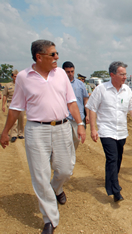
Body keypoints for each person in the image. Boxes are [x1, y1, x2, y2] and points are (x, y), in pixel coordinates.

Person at [0, 39, 86, 234]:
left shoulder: (61, 74)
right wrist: (5, 132)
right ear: (39, 57)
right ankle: (50, 219)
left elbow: (72, 102)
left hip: (63, 127)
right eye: (53, 54)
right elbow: (15, 108)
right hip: (36, 130)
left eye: (57, 53)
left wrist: (80, 125)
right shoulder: (23, 77)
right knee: (40, 175)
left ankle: (56, 188)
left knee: (65, 169)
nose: (57, 58)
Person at [86, 61, 132, 202]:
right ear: (112, 75)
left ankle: (111, 181)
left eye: (125, 74)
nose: (125, 77)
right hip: (106, 130)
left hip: (121, 131)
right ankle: (115, 190)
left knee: (117, 159)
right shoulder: (101, 89)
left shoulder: (127, 90)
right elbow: (92, 108)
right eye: (121, 74)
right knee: (112, 158)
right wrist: (93, 129)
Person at [62, 61, 90, 150]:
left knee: (76, 141)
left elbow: (85, 99)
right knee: (65, 142)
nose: (70, 74)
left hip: (78, 118)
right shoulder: (59, 84)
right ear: (63, 71)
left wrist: (87, 115)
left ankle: (71, 160)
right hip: (65, 118)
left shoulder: (80, 84)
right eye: (68, 72)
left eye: (72, 71)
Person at [2, 69, 25, 142]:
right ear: (12, 77)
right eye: (15, 76)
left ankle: (20, 133)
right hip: (11, 104)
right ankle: (14, 135)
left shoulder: (22, 85)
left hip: (21, 104)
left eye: (17, 76)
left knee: (21, 120)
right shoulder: (8, 85)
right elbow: (5, 95)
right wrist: (3, 105)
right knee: (14, 120)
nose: (16, 78)